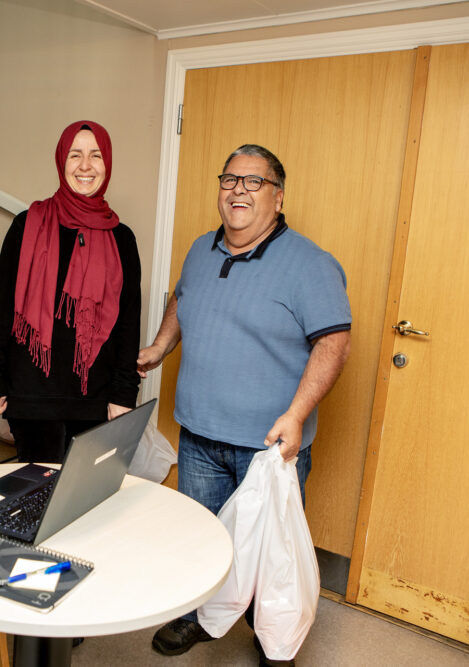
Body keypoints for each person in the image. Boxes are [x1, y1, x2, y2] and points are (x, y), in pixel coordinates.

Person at [138, 144, 351, 666]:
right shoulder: (198, 250)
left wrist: (297, 415)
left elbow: (334, 343)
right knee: (201, 538)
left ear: (278, 198)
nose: (238, 190)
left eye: (254, 182)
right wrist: (160, 348)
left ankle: (269, 634)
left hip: (269, 446)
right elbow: (181, 300)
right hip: (199, 434)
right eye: (230, 179)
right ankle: (193, 618)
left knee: (268, 551)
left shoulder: (310, 264)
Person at [0, 120, 141, 463]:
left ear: (107, 163)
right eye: (75, 155)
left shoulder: (122, 238)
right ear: (61, 162)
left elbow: (128, 323)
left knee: (86, 504)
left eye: (95, 156)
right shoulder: (28, 224)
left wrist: (124, 393)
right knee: (37, 499)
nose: (85, 166)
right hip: (32, 399)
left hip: (96, 402)